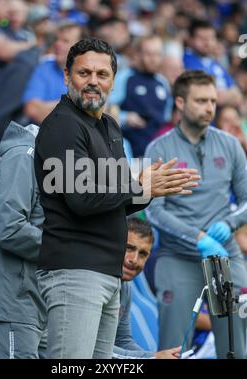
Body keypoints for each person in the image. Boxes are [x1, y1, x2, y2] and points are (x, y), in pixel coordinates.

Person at [34, 37, 200, 359]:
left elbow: (117, 196)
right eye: (84, 73)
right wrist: (140, 187)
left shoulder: (109, 125)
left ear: (113, 80)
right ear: (67, 76)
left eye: (102, 74)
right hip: (75, 270)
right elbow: (82, 198)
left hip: (107, 272)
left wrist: (146, 190)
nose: (93, 82)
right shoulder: (64, 126)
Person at [145, 70, 247, 359]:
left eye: (213, 100)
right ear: (180, 102)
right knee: (173, 348)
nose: (210, 108)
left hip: (225, 255)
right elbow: (153, 210)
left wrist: (230, 223)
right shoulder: (159, 149)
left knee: (236, 347)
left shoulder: (229, 145)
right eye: (201, 100)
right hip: (177, 256)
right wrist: (196, 237)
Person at [0, 121, 47, 359]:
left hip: (34, 303)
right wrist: (64, 247)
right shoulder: (24, 157)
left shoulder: (48, 161)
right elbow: (11, 229)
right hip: (11, 304)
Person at [113, 218, 181, 359]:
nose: (134, 260)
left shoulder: (125, 287)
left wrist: (154, 356)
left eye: (143, 254)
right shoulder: (94, 284)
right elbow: (96, 348)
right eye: (129, 248)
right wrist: (152, 358)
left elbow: (123, 340)